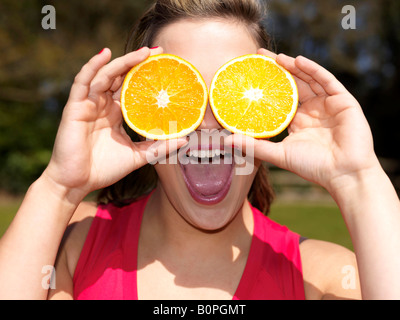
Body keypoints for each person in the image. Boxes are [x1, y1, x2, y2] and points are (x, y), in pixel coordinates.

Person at [1, 0, 400, 300]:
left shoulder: (323, 276)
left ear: (266, 110)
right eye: (182, 94)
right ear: (139, 109)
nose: (208, 124)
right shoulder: (71, 247)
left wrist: (358, 181)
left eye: (231, 95)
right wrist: (59, 188)